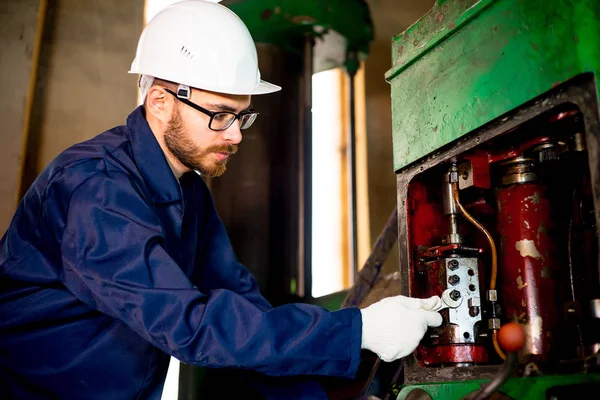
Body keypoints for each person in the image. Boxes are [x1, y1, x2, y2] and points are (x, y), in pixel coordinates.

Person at [0, 1, 443, 399]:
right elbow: (190, 325)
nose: (235, 134)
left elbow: (242, 312)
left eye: (241, 115)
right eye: (219, 115)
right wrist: (357, 329)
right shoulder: (92, 189)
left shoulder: (187, 192)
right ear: (159, 101)